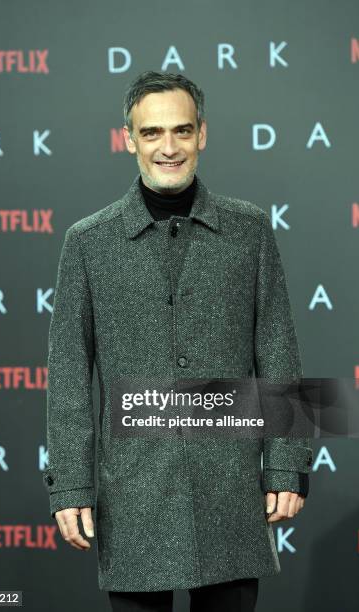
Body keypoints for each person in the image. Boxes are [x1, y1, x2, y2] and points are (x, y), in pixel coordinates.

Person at [43, 71, 313, 612]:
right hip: (135, 495)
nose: (169, 147)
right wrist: (70, 485)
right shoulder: (88, 242)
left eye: (182, 131)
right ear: (129, 139)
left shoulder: (250, 229)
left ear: (202, 135)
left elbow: (277, 349)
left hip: (230, 491)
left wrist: (288, 464)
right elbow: (70, 374)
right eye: (152, 133)